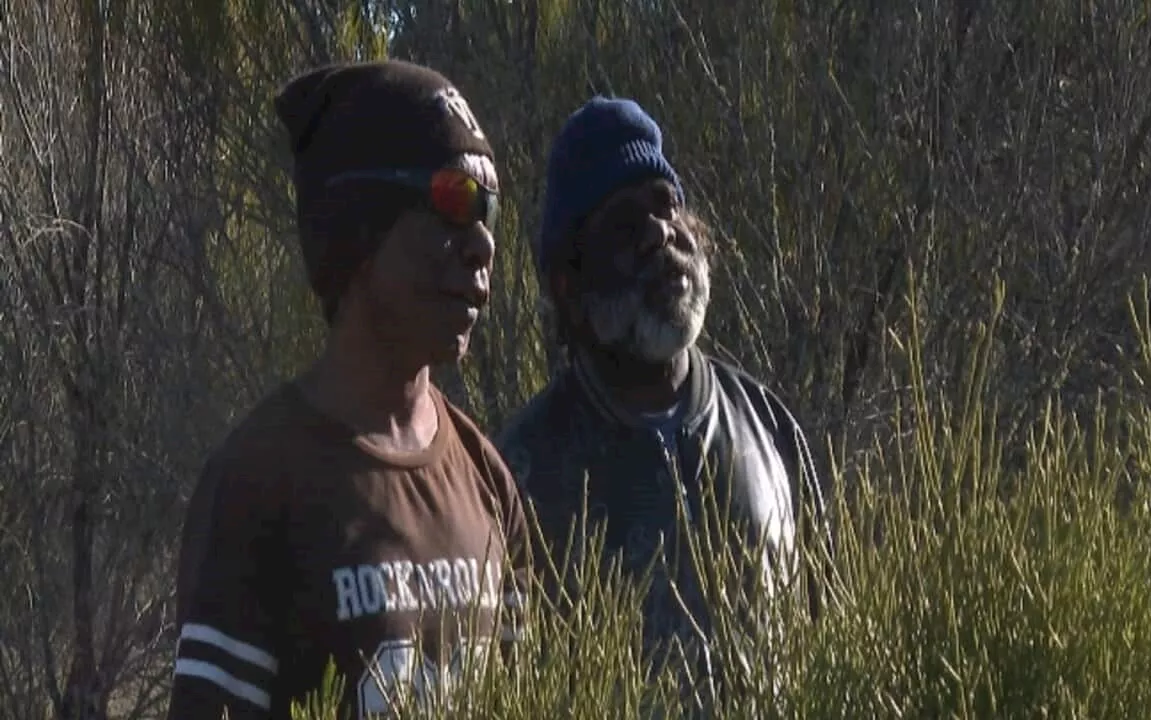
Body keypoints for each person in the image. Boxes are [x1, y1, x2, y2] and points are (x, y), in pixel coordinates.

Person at [165, 59, 529, 720]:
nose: (482, 245)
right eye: (453, 200)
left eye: (493, 211)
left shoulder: (487, 479)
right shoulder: (258, 483)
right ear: (358, 234)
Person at [496, 96, 831, 707]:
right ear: (569, 288)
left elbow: (835, 641)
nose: (659, 232)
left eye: (666, 205)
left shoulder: (769, 428)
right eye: (624, 223)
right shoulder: (519, 473)